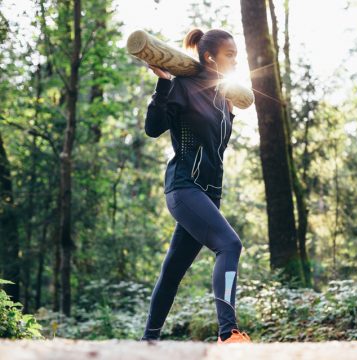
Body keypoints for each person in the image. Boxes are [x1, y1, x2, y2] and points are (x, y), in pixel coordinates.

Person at [139, 28, 251, 344]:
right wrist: (162, 82)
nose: (235, 61)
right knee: (230, 245)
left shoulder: (222, 95)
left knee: (173, 270)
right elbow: (152, 128)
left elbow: (216, 150)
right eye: (230, 55)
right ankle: (228, 334)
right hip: (184, 188)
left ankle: (148, 342)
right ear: (209, 56)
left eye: (236, 55)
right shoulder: (183, 86)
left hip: (208, 195)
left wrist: (229, 115)